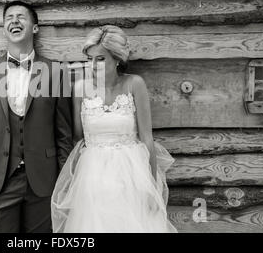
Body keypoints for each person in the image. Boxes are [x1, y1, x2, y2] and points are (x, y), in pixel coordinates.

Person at [0, 1, 73, 233]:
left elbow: (64, 135)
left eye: (21, 16)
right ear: (4, 29)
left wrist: (66, 184)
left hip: (44, 182)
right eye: (9, 17)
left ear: (35, 28)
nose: (14, 21)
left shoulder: (56, 72)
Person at [51, 25, 177, 233]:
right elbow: (77, 137)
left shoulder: (135, 84)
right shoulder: (81, 88)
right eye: (89, 58)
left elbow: (147, 138)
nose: (93, 65)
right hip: (92, 176)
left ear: (117, 59)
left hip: (131, 174)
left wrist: (152, 186)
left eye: (100, 59)